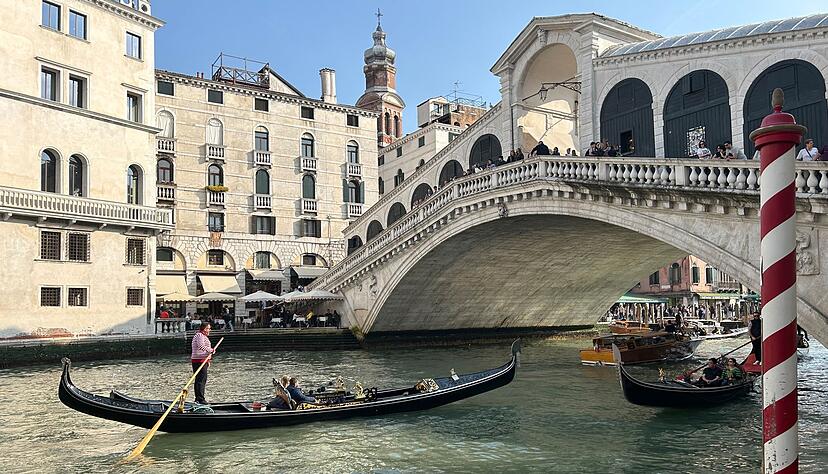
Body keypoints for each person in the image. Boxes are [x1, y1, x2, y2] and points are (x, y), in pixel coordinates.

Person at [191, 322, 215, 404]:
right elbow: (201, 346)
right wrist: (211, 350)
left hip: (203, 360)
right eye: (208, 328)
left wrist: (209, 359)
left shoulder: (203, 336)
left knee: (201, 379)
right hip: (199, 360)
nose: (209, 330)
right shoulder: (199, 335)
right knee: (200, 380)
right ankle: (200, 399)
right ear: (204, 329)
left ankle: (199, 398)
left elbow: (205, 349)